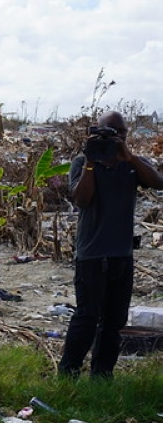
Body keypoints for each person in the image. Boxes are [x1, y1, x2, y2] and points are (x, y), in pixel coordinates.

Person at [58, 111, 163, 379]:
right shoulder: (82, 162)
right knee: (86, 319)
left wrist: (128, 156)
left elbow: (157, 182)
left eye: (120, 133)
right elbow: (82, 200)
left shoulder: (131, 165)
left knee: (114, 322)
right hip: (92, 255)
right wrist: (93, 162)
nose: (114, 139)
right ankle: (68, 374)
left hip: (122, 255)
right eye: (109, 133)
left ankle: (102, 377)